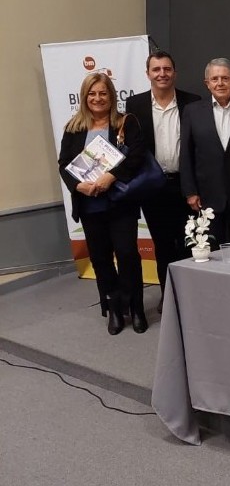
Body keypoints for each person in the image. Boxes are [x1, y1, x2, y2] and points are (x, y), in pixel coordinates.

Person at [58, 73, 146, 335]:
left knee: (128, 255)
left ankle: (137, 307)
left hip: (120, 204)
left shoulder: (124, 123)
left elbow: (137, 156)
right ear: (85, 97)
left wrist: (111, 176)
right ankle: (115, 309)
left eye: (103, 93)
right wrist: (78, 185)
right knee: (100, 259)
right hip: (89, 206)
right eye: (92, 94)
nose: (97, 98)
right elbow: (64, 165)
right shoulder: (74, 128)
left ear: (111, 96)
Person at [125, 50, 201, 311]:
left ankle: (190, 296)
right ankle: (168, 296)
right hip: (153, 187)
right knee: (162, 244)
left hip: (186, 185)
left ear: (174, 73)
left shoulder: (193, 102)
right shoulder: (135, 106)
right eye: (156, 69)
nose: (162, 74)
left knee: (191, 242)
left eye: (167, 69)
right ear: (148, 74)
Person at [180, 58, 230, 245]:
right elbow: (186, 154)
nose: (220, 83)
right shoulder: (192, 111)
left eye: (225, 78)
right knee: (211, 256)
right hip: (206, 198)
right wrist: (190, 191)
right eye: (215, 79)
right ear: (207, 84)